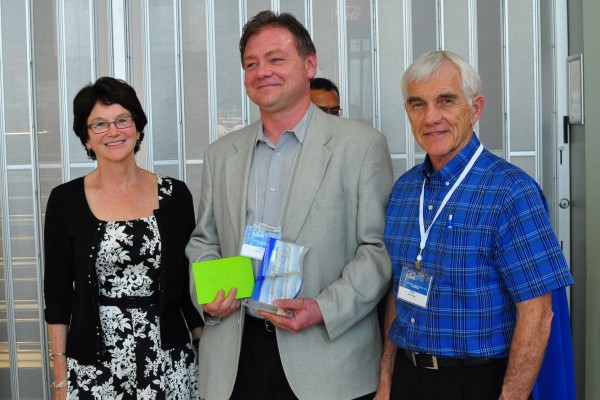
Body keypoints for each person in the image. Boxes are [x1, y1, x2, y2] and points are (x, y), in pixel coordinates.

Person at [186, 10, 393, 400]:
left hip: (326, 357)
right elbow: (203, 241)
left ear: (310, 64)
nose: (262, 71)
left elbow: (378, 250)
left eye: (276, 59)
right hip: (236, 357)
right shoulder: (220, 154)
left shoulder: (361, 146)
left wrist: (322, 309)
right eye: (251, 63)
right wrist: (207, 297)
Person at [376, 50, 574, 400]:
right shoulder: (404, 191)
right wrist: (386, 381)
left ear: (476, 108)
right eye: (417, 104)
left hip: (479, 383)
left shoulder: (512, 192)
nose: (431, 117)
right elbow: (399, 293)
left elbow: (538, 314)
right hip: (408, 378)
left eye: (446, 101)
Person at [43, 77, 203, 399]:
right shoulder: (65, 201)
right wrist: (61, 377)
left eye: (122, 120)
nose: (113, 132)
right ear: (86, 138)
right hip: (94, 365)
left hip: (168, 361)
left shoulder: (175, 196)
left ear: (138, 128)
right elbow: (58, 297)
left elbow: (188, 286)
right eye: (99, 124)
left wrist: (207, 352)